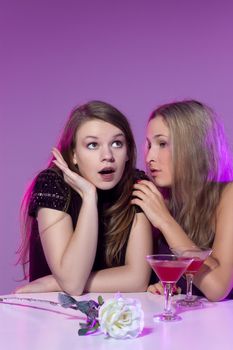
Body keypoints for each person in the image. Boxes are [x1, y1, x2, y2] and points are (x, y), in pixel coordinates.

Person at [16, 100, 152, 295]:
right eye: (92, 145)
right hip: (53, 314)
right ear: (74, 155)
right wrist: (89, 198)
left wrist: (54, 283)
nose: (107, 155)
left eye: (117, 143)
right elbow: (72, 283)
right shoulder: (53, 183)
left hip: (115, 314)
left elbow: (137, 279)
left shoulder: (136, 185)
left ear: (128, 151)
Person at [131, 100, 233, 301]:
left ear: (193, 147)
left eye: (162, 144)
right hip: (184, 325)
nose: (150, 156)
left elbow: (217, 288)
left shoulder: (228, 196)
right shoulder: (156, 196)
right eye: (149, 144)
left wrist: (164, 221)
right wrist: (166, 286)